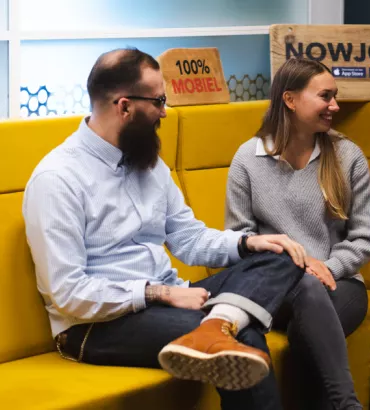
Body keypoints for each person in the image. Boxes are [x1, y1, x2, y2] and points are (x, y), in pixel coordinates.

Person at [22, 47, 310, 410]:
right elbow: (67, 293)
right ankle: (219, 327)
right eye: (158, 100)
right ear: (124, 106)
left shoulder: (147, 162)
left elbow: (189, 238)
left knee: (280, 257)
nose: (165, 111)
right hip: (95, 325)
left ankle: (215, 325)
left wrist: (249, 243)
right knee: (245, 335)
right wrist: (158, 294)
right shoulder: (57, 179)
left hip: (172, 297)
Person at [224, 57, 370, 410]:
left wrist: (327, 267)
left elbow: (365, 237)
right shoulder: (247, 159)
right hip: (274, 287)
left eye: (335, 96)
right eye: (325, 96)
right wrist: (295, 265)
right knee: (305, 293)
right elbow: (239, 238)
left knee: (307, 322)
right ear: (290, 100)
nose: (335, 106)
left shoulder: (347, 156)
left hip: (340, 284)